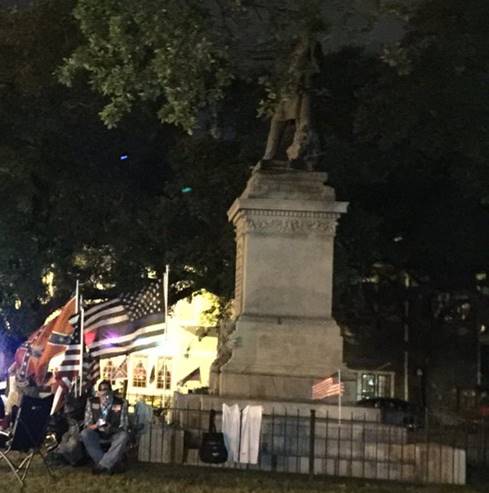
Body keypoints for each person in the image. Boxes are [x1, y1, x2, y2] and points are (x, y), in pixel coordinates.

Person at [80, 380, 129, 474]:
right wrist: (97, 425)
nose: (104, 393)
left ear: (111, 391)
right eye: (101, 390)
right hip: (97, 432)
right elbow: (87, 424)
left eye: (106, 390)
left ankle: (102, 466)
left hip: (114, 433)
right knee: (85, 434)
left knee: (123, 436)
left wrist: (112, 428)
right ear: (98, 392)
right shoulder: (91, 402)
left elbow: (124, 425)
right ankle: (109, 465)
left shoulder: (121, 403)